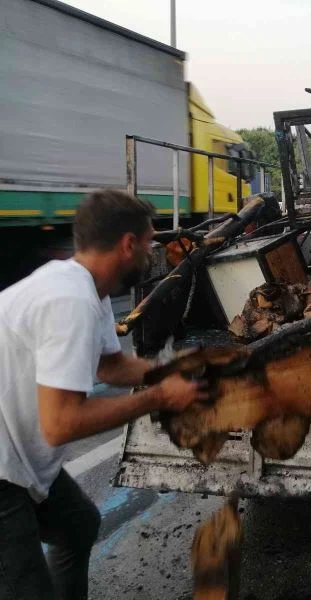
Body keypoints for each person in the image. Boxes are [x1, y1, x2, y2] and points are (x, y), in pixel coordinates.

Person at [0, 189, 205, 600]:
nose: (152, 254)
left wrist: (172, 370)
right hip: (3, 476)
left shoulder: (85, 288)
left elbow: (108, 366)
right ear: (128, 244)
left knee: (77, 526)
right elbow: (61, 425)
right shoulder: (69, 300)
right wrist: (160, 397)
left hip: (18, 458)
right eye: (149, 244)